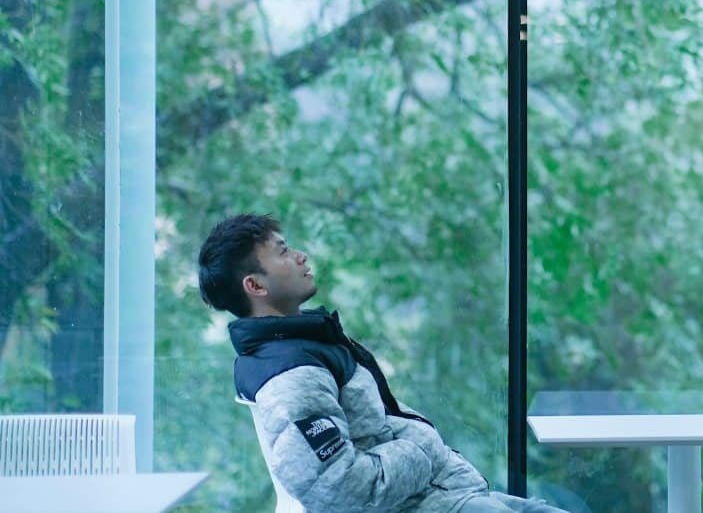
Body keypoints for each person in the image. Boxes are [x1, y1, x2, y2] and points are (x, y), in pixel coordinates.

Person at [197, 213, 566, 513]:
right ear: (255, 287)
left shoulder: (306, 344)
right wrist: (424, 445)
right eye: (282, 252)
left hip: (436, 496)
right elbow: (339, 489)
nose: (300, 256)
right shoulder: (290, 375)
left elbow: (375, 429)